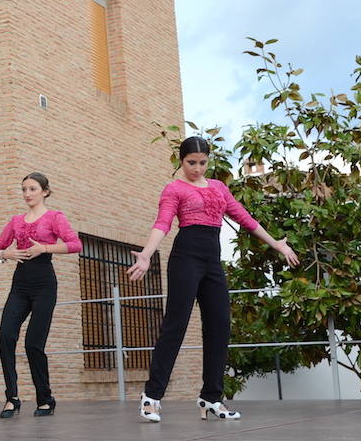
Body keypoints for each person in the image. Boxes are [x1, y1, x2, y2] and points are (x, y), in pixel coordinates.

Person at [128, 136, 299, 422]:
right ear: (181, 162)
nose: (197, 168)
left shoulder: (219, 188)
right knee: (176, 325)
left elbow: (244, 218)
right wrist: (146, 254)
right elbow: (163, 222)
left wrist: (277, 244)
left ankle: (211, 397)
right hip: (186, 258)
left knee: (220, 326)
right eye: (191, 163)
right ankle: (151, 397)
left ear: (209, 160)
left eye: (202, 163)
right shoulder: (174, 188)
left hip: (212, 261)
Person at [0, 173, 82, 418]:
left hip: (44, 284)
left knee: (33, 344)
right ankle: (12, 398)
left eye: (33, 188)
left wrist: (45, 248)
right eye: (24, 189)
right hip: (20, 284)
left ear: (45, 192)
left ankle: (45, 399)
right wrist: (6, 255)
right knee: (4, 337)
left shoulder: (54, 217)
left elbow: (75, 244)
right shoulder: (16, 221)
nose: (28, 193)